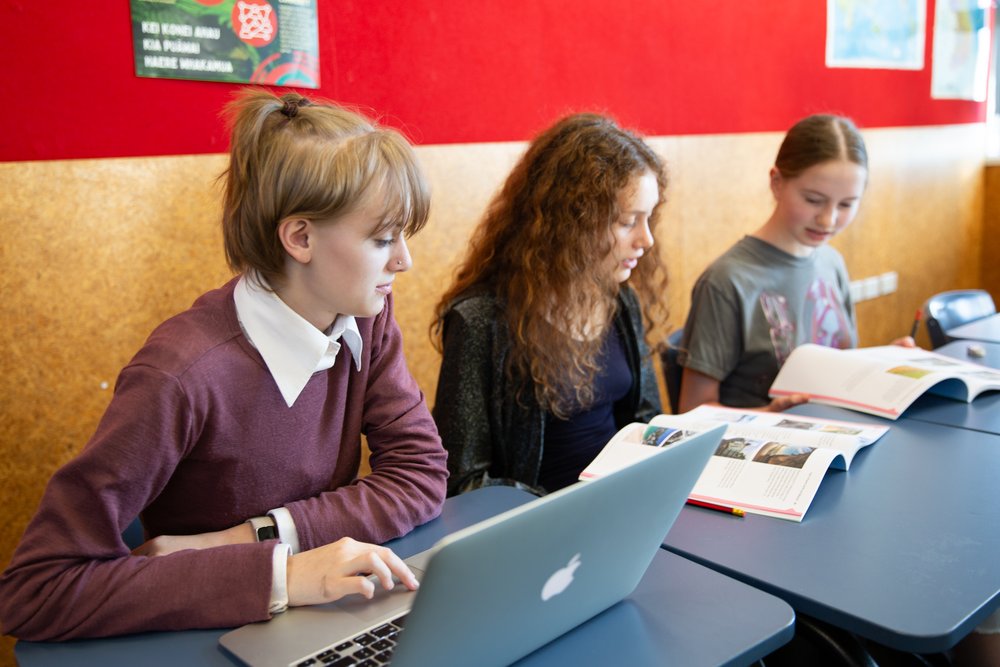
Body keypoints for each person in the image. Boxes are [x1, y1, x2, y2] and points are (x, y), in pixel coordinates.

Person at [0, 89, 448, 640]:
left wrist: (255, 538)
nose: (405, 260)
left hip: (316, 613)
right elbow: (35, 590)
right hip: (202, 632)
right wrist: (283, 574)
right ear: (300, 237)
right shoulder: (181, 375)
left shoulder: (364, 316)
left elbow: (420, 474)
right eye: (382, 239)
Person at [432, 113, 668, 496]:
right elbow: (463, 477)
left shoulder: (620, 299)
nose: (646, 240)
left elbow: (646, 419)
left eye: (648, 218)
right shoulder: (480, 321)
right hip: (543, 516)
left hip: (624, 499)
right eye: (627, 222)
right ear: (573, 222)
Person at [677, 113, 914, 413]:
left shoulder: (831, 262)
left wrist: (884, 365)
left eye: (846, 204)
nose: (828, 220)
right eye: (813, 200)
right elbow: (692, 409)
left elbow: (838, 373)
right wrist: (769, 414)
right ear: (777, 183)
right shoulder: (726, 281)